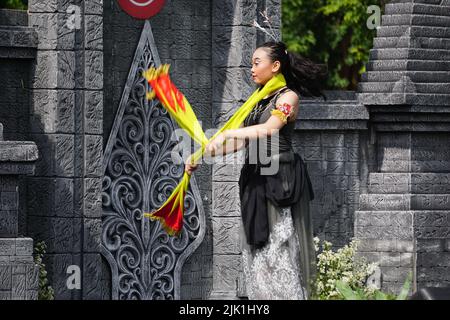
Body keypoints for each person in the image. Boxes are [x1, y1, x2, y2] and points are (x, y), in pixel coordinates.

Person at [185, 41, 327, 300]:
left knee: (278, 251)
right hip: (254, 179)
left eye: (256, 62)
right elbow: (242, 141)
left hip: (279, 179)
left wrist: (227, 132)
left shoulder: (288, 97)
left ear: (275, 66)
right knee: (258, 254)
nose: (251, 69)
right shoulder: (257, 102)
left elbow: (268, 129)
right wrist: (203, 154)